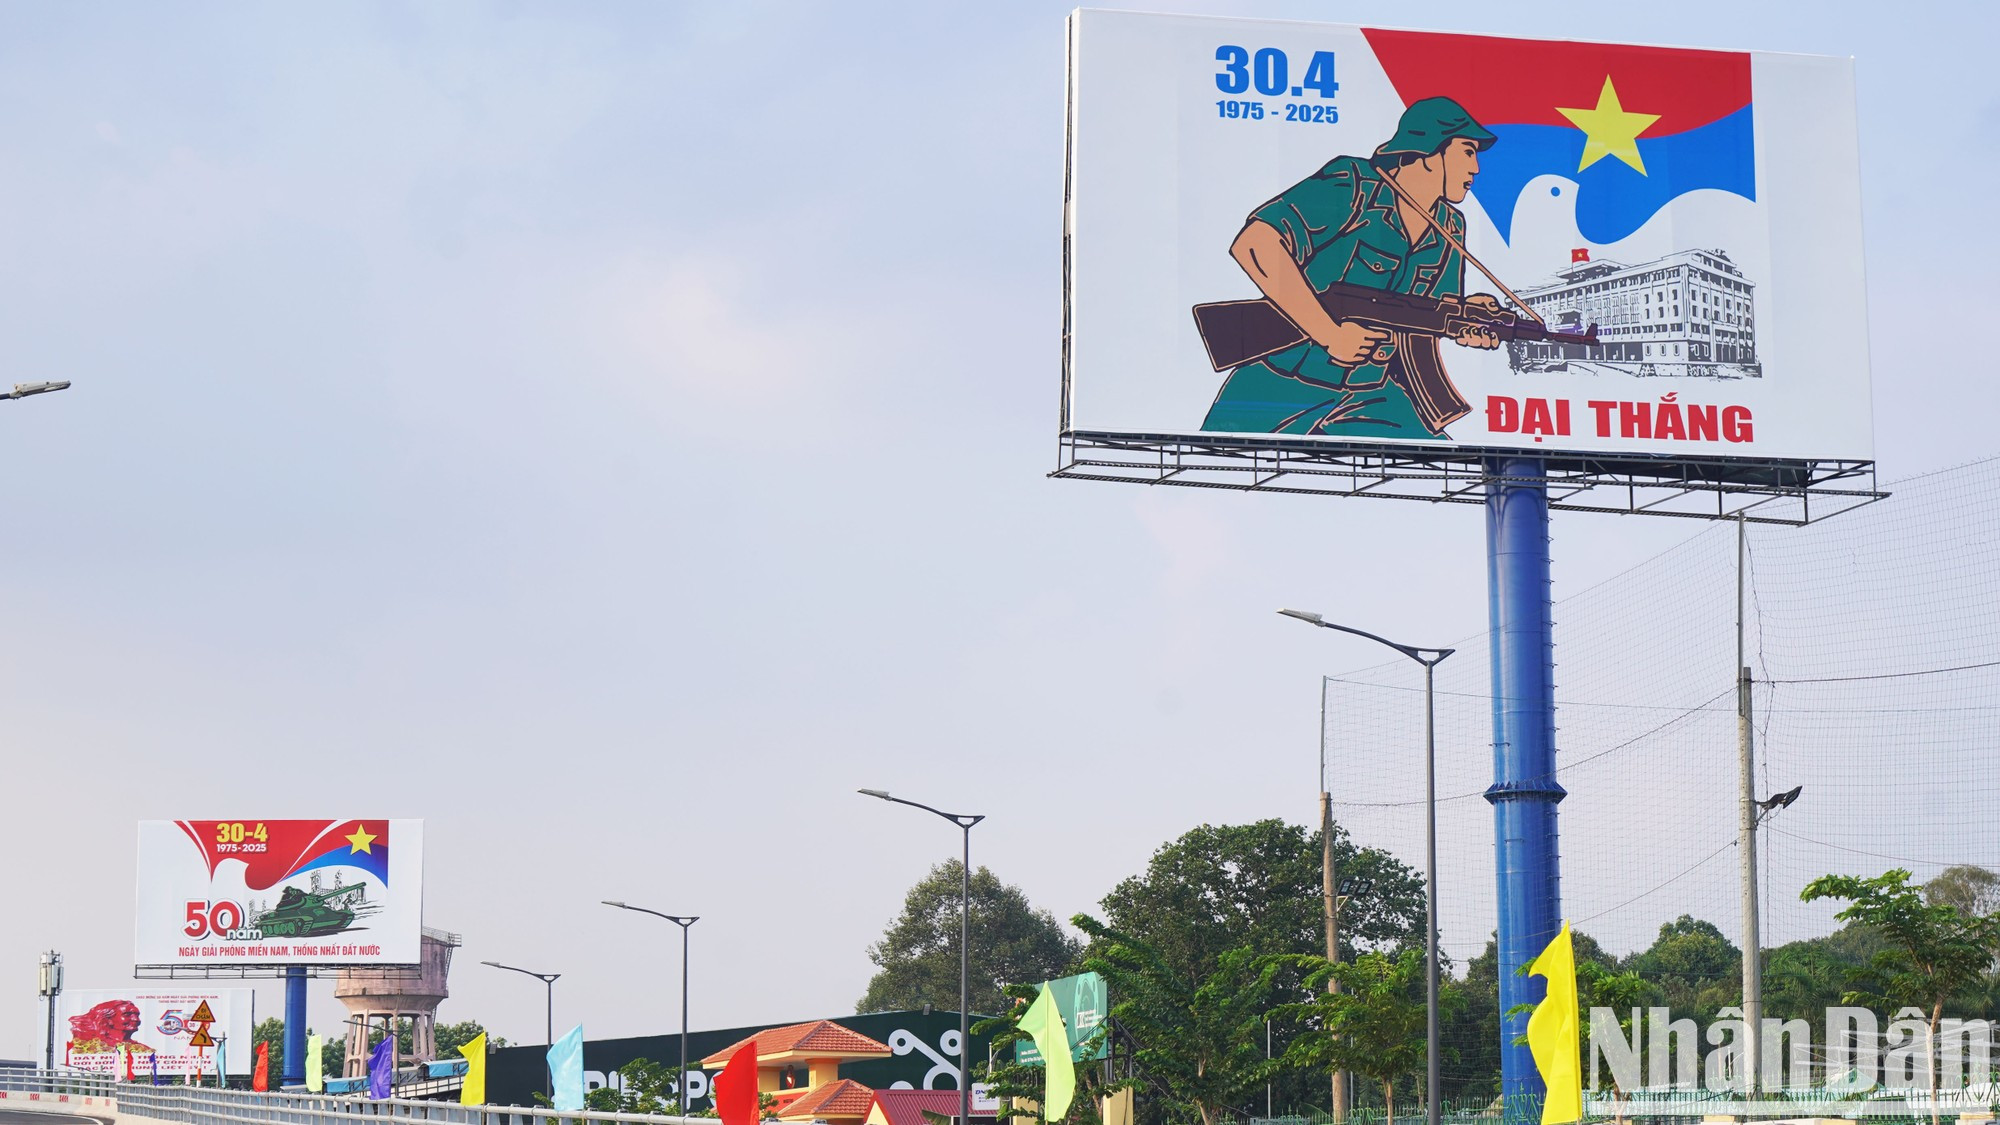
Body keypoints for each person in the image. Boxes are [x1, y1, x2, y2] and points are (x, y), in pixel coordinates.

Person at [1201, 96, 1504, 438]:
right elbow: (1255, 244)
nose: (1476, 168)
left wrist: (1465, 318)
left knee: (1446, 468)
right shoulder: (1355, 184)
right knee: (1209, 464)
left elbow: (1428, 314)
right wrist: (1329, 335)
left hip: (1372, 395)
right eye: (1467, 151)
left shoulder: (1450, 227)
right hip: (1283, 380)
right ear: (1430, 153)